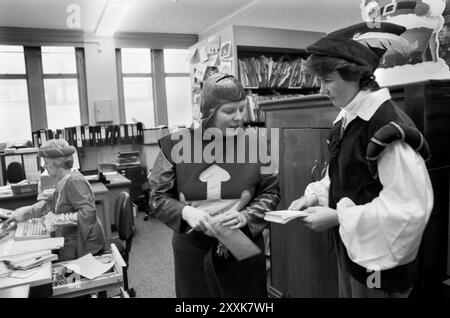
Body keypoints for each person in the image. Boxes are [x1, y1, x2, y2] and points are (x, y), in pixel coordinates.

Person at [288, 22, 434, 298]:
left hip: (379, 265)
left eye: (328, 80)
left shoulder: (387, 128)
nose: (321, 90)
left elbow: (409, 209)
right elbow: (344, 176)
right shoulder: (347, 118)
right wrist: (315, 197)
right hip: (354, 251)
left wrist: (337, 217)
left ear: (355, 75)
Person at [149, 73, 280, 298]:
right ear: (209, 112)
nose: (238, 117)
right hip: (193, 245)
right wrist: (186, 212)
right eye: (229, 111)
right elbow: (157, 197)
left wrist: (247, 216)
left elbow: (271, 192)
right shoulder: (175, 146)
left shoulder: (257, 144)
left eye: (241, 108)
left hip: (242, 241)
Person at [3, 139, 105, 261]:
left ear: (58, 164)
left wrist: (55, 220)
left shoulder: (74, 181)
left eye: (46, 162)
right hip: (72, 239)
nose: (44, 166)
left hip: (85, 245)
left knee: (44, 262)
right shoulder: (64, 180)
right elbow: (48, 203)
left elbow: (88, 214)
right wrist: (21, 214)